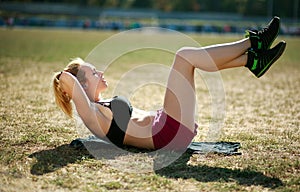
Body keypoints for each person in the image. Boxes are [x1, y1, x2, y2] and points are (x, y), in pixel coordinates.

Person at [53, 17, 286, 151]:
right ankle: (252, 43)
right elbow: (67, 81)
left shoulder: (100, 105)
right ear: (80, 87)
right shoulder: (91, 113)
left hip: (167, 124)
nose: (100, 72)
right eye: (93, 73)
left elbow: (74, 83)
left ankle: (252, 60)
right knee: (184, 56)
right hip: (166, 133)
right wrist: (65, 79)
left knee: (188, 59)